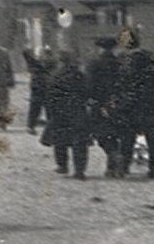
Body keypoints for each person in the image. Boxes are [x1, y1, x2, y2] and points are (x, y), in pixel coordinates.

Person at [115, 25, 154, 178]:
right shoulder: (150, 58)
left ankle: (124, 167)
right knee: (152, 138)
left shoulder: (125, 60)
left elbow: (121, 82)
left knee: (127, 137)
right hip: (149, 102)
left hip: (130, 103)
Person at [39, 50, 92, 179]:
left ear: (60, 61)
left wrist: (50, 113)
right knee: (79, 142)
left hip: (60, 111)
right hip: (77, 110)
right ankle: (79, 170)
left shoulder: (54, 75)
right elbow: (87, 91)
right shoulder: (79, 75)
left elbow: (49, 96)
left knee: (60, 140)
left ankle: (62, 165)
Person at [86, 37, 129, 178]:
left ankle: (114, 156)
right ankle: (112, 167)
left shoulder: (94, 63)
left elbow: (89, 84)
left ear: (100, 48)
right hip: (118, 103)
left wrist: (90, 100)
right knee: (115, 134)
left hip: (99, 104)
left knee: (102, 134)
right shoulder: (120, 64)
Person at [22, 46, 56, 134]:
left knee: (38, 107)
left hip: (40, 86)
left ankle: (32, 126)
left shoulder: (38, 63)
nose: (40, 54)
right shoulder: (48, 62)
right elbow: (27, 55)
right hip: (44, 86)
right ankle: (33, 126)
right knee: (44, 108)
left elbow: (27, 56)